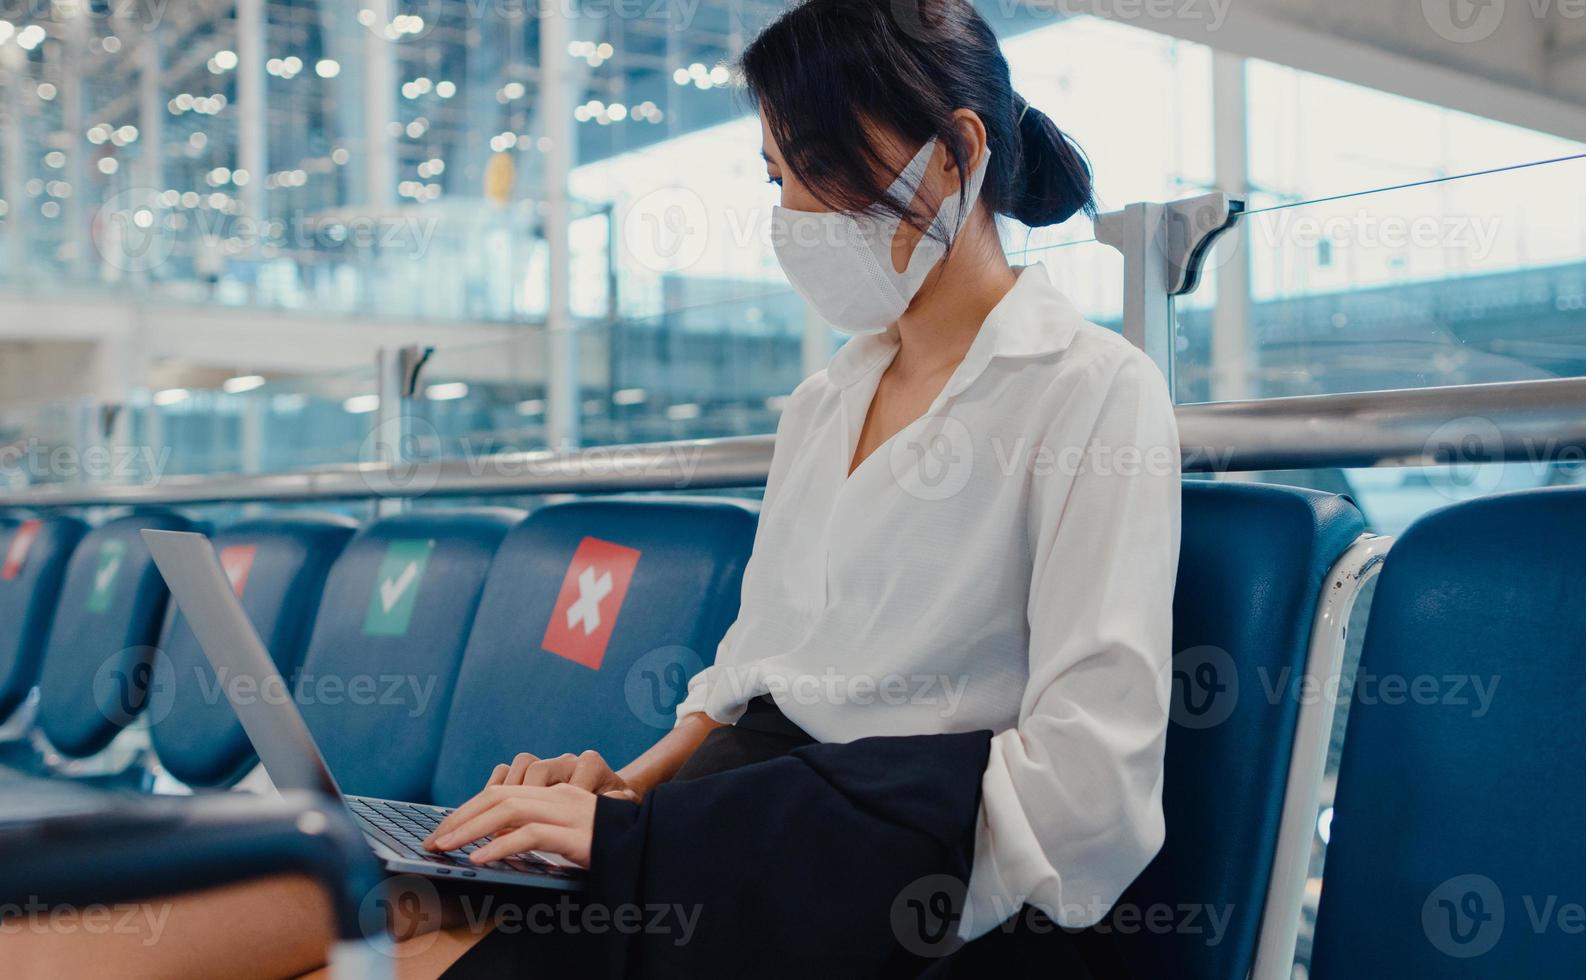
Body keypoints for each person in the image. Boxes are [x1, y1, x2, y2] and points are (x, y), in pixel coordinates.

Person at [12, 1, 1179, 976]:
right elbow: (750, 679)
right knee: (274, 885)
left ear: (959, 152)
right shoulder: (826, 401)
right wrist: (615, 792)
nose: (795, 217)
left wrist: (661, 839)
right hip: (698, 830)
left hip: (850, 879)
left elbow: (1088, 795)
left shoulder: (1089, 394)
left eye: (821, 171)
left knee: (378, 952)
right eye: (778, 177)